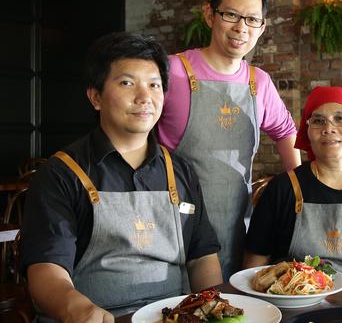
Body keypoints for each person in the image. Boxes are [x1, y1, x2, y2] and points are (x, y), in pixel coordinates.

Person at [20, 32, 222, 322]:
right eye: (127, 83)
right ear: (96, 97)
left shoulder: (181, 171)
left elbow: (202, 256)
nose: (145, 97)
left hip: (173, 316)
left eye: (154, 85)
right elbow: (45, 268)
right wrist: (76, 307)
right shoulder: (62, 173)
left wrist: (213, 308)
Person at [157, 0, 301, 279]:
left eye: (252, 20)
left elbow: (286, 132)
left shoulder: (258, 82)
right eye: (231, 15)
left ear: (262, 27)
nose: (241, 28)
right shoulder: (172, 70)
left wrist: (297, 194)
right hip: (171, 220)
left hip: (235, 222)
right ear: (210, 14)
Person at [243, 86, 342, 278]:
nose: (328, 128)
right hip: (292, 300)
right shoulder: (283, 188)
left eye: (341, 118)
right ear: (308, 132)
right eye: (318, 121)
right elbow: (252, 270)